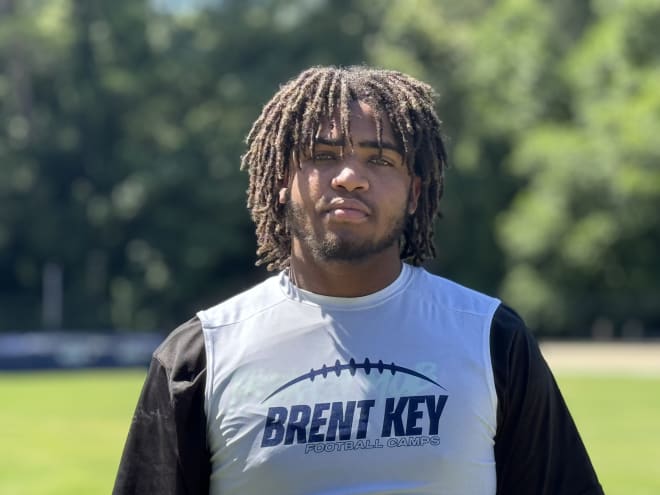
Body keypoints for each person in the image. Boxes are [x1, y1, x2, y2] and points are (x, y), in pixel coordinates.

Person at [113, 65, 604, 495]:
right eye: (324, 155)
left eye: (380, 159)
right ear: (282, 181)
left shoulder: (491, 338)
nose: (350, 176)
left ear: (415, 193)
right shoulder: (201, 356)